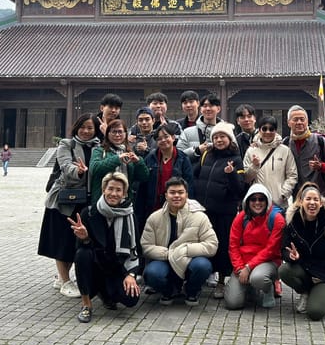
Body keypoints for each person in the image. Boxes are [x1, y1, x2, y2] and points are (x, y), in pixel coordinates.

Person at [37, 113, 101, 298]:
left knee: (76, 240)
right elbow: (65, 166)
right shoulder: (67, 144)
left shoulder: (99, 146)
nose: (86, 131)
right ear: (76, 127)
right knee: (62, 241)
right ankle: (65, 281)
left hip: (86, 200)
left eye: (90, 128)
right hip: (65, 200)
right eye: (83, 127)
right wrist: (78, 171)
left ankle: (61, 277)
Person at [69, 172, 141, 323]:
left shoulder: (130, 215)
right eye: (110, 189)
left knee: (131, 299)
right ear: (103, 190)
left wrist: (131, 275)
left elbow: (136, 249)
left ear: (124, 193)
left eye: (118, 190)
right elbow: (78, 249)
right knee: (82, 254)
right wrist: (85, 238)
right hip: (94, 267)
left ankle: (107, 294)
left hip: (116, 268)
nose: (114, 193)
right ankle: (86, 304)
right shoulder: (88, 213)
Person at [279, 183, 325, 321]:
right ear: (300, 201)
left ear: (321, 203)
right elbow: (284, 248)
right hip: (305, 268)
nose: (312, 203)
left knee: (315, 313)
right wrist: (291, 256)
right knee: (284, 270)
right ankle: (306, 292)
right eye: (308, 199)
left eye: (316, 200)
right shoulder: (292, 222)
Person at [141, 176, 218, 305]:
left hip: (190, 260)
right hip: (164, 260)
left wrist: (185, 250)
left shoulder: (200, 217)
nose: (176, 196)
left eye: (180, 192)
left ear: (186, 194)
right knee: (152, 273)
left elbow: (212, 245)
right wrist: (169, 254)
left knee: (203, 266)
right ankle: (168, 291)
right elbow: (146, 246)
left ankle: (192, 291)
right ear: (166, 195)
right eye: (172, 192)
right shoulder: (154, 218)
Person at [192, 121, 244, 298]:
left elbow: (239, 189)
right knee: (202, 244)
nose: (219, 140)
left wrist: (230, 174)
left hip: (224, 211)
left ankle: (222, 281)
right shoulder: (207, 155)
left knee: (222, 246)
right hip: (203, 211)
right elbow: (195, 174)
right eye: (216, 137)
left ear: (230, 139)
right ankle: (202, 278)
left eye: (222, 136)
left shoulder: (236, 159)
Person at [224, 183, 285, 310]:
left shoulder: (277, 219)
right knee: (233, 303)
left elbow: (271, 249)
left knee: (258, 278)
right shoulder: (241, 217)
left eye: (261, 199)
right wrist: (239, 268)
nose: (257, 202)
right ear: (247, 201)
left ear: (267, 200)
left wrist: (249, 267)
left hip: (268, 262)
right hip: (243, 263)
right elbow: (233, 245)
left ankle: (268, 288)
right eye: (253, 199)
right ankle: (249, 288)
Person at [136, 123, 194, 240]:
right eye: (159, 139)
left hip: (175, 207)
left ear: (173, 137)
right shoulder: (150, 158)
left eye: (166, 136)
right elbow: (143, 185)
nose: (163, 140)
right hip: (153, 207)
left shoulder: (183, 159)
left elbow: (189, 184)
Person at [243, 115, 298, 210]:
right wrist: (254, 166)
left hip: (279, 204)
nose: (267, 132)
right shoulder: (251, 151)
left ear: (275, 131)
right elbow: (246, 178)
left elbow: (292, 175)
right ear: (259, 130)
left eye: (271, 129)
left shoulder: (285, 151)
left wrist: (284, 194)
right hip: (258, 204)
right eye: (264, 129)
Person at [89, 119, 150, 205]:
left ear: (125, 134)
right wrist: (117, 159)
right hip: (103, 199)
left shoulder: (130, 151)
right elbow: (94, 168)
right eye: (114, 132)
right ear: (108, 134)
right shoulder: (99, 150)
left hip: (125, 200)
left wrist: (138, 162)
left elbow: (144, 177)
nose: (117, 135)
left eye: (120, 132)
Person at [284, 105, 325, 196]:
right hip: (297, 196)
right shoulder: (286, 143)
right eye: (295, 119)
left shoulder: (320, 141)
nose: (299, 122)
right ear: (288, 122)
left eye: (302, 119)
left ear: (307, 121)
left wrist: (321, 166)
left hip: (319, 194)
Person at [178, 92, 224, 164]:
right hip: (195, 174)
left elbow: (235, 154)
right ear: (201, 109)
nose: (208, 109)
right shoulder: (187, 132)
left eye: (211, 105)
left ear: (218, 109)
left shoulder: (227, 131)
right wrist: (196, 151)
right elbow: (178, 156)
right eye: (205, 106)